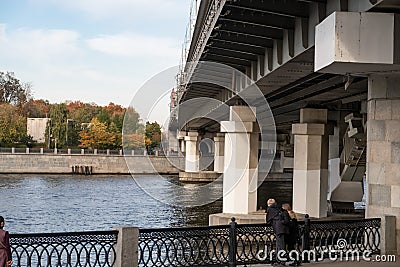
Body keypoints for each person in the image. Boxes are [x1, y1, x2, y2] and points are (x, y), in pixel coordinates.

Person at [266, 199, 290, 266]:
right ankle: (279, 260)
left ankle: (281, 261)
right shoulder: (278, 208)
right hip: (283, 229)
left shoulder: (270, 209)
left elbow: (268, 221)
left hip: (278, 229)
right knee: (280, 245)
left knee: (280, 245)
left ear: (269, 204)